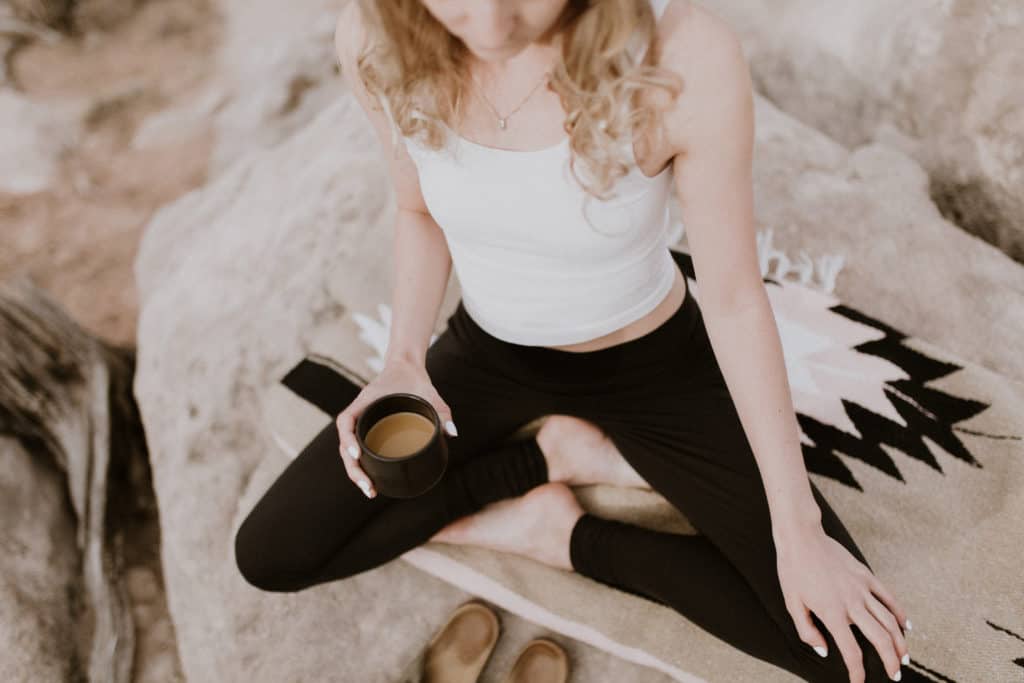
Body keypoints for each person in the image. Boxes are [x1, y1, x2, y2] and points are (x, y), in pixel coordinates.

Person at [234, 2, 914, 681]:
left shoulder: (681, 54)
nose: (494, 24)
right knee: (273, 552)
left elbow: (734, 297)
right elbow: (418, 209)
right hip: (488, 350)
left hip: (653, 364)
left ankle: (565, 537)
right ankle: (542, 459)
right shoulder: (376, 37)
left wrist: (797, 530)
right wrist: (404, 359)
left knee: (860, 660)